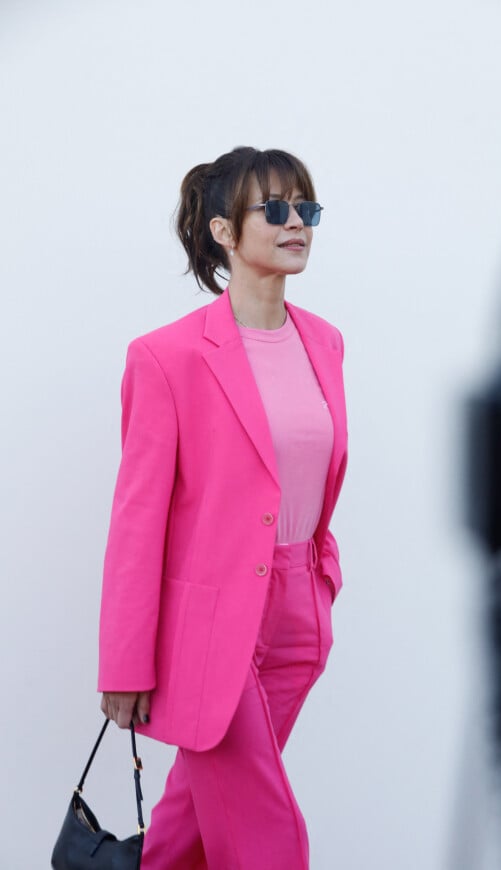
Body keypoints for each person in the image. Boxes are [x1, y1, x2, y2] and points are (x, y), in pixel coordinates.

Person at [98, 146, 348, 869]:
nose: (296, 222)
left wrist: (319, 584)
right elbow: (137, 519)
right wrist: (125, 660)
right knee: (266, 829)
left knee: (194, 818)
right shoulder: (166, 357)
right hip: (208, 625)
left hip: (301, 610)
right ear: (223, 233)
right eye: (274, 209)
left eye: (306, 207)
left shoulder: (325, 343)